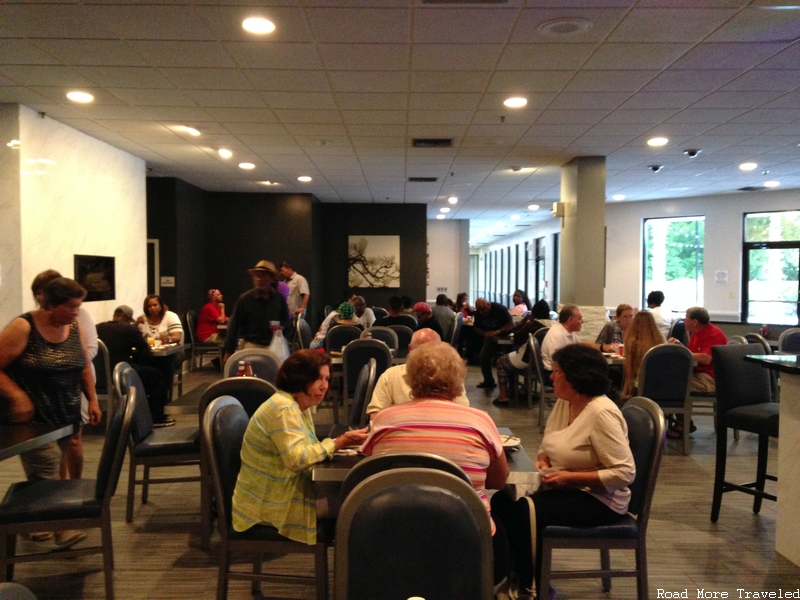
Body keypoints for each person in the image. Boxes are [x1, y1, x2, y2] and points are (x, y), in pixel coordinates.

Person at [491, 344, 635, 597]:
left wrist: (570, 477)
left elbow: (624, 472)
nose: (551, 377)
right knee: (503, 500)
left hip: (601, 499)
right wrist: (544, 462)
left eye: (557, 371)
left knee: (527, 510)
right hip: (568, 487)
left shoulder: (602, 414)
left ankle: (532, 586)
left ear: (576, 377)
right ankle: (512, 575)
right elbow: (551, 443)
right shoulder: (565, 402)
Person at [362, 341, 509, 583]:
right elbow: (499, 481)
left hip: (394, 538)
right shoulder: (480, 421)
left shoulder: (385, 420)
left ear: (410, 378)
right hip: (466, 539)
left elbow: (372, 476)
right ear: (458, 378)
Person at [0, 277, 102, 550]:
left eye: (78, 307)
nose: (75, 312)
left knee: (49, 471)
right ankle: (60, 528)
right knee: (48, 467)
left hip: (65, 414)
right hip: (32, 420)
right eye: (70, 307)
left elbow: (82, 366)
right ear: (50, 304)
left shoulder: (73, 327)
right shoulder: (23, 327)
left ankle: (30, 523)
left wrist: (92, 400)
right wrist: (17, 395)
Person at [231, 350, 367, 544]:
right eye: (317, 378)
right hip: (272, 503)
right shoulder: (284, 408)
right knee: (361, 505)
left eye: (327, 379)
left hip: (278, 491)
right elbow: (297, 459)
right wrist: (339, 442)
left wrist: (339, 443)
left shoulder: (297, 405)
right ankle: (350, 570)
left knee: (358, 498)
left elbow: (306, 450)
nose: (324, 386)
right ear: (299, 378)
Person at [29, 269, 98, 482]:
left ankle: (74, 483)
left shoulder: (75, 317)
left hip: (73, 386)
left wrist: (93, 398)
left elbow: (89, 351)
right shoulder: (28, 322)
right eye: (38, 292)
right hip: (46, 395)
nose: (41, 296)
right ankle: (59, 486)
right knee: (51, 447)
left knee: (73, 439)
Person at [366, 328, 469, 419]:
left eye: (436, 350)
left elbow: (463, 410)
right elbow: (375, 415)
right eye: (422, 350)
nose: (429, 356)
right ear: (410, 349)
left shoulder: (451, 375)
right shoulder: (391, 376)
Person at [97, 306, 173, 427]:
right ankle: (156, 417)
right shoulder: (129, 328)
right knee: (156, 375)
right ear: (128, 319)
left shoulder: (98, 327)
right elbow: (145, 350)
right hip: (120, 375)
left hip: (97, 378)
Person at [667, 306, 727, 437]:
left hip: (710, 379)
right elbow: (692, 354)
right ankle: (683, 422)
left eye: (686, 317)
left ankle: (684, 424)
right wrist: (679, 346)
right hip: (699, 374)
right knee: (670, 380)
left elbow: (706, 359)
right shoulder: (696, 333)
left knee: (674, 386)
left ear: (695, 321)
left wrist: (681, 351)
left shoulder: (713, 334)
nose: (684, 320)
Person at [224, 260, 291, 362]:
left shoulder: (279, 299)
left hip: (274, 347)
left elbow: (287, 320)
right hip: (251, 347)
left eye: (263, 276)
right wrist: (229, 351)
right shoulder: (245, 299)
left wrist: (282, 327)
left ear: (272, 278)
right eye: (256, 276)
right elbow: (234, 325)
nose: (258, 279)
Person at [492, 299, 554, 407]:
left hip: (527, 359)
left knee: (501, 362)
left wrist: (523, 322)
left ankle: (503, 397)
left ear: (534, 313)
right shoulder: (554, 325)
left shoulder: (532, 324)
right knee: (515, 361)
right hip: (545, 362)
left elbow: (517, 339)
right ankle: (524, 390)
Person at [540, 304, 616, 385]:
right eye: (580, 318)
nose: (582, 321)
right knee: (601, 375)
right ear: (570, 320)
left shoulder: (567, 331)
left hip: (566, 371)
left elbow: (581, 343)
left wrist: (603, 347)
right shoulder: (557, 337)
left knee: (610, 371)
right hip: (555, 375)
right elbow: (558, 364)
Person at [621, 311, 664, 400]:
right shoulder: (660, 340)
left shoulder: (633, 342)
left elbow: (630, 369)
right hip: (660, 385)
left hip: (640, 385)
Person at [473, 298, 514, 389]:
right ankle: (488, 381)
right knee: (483, 356)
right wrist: (485, 333)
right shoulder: (478, 314)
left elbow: (511, 324)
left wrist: (498, 332)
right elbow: (476, 328)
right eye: (479, 310)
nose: (482, 313)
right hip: (491, 338)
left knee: (509, 359)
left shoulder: (500, 309)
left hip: (505, 337)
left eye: (484, 309)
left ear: (488, 305)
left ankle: (512, 385)